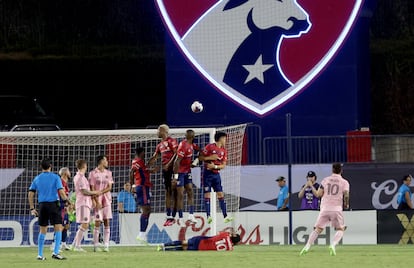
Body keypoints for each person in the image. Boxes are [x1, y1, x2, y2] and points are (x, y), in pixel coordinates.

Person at [300, 162, 350, 256]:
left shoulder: (325, 180)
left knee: (317, 229)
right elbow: (346, 194)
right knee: (340, 229)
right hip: (336, 209)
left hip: (325, 208)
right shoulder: (344, 182)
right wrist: (346, 204)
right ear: (341, 171)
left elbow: (318, 194)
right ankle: (333, 245)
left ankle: (307, 246)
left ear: (332, 170)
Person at [28, 158, 70, 260]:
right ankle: (56, 252)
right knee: (58, 227)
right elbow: (61, 192)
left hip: (42, 205)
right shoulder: (55, 177)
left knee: (42, 230)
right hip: (53, 205)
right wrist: (67, 201)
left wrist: (32, 208)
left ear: (41, 167)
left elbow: (30, 193)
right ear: (50, 166)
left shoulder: (37, 178)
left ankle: (40, 254)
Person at [198, 131, 233, 224]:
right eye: (225, 138)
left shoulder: (224, 151)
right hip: (207, 174)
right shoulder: (209, 147)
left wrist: (215, 167)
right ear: (220, 138)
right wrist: (210, 157)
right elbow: (200, 157)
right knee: (207, 194)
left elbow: (223, 165)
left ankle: (225, 216)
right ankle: (208, 216)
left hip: (216, 174)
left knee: (221, 195)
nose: (226, 140)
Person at [148, 124, 179, 226]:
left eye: (158, 130)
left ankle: (175, 216)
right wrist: (147, 165)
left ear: (164, 131)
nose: (157, 132)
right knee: (168, 191)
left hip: (174, 169)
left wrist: (169, 164)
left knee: (175, 191)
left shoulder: (172, 141)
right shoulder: (159, 145)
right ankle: (169, 215)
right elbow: (155, 157)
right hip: (165, 170)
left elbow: (176, 153)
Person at [71, 159, 99, 252]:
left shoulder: (80, 177)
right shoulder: (80, 177)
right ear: (84, 166)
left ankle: (74, 244)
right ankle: (77, 246)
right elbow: (84, 191)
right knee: (85, 224)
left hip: (85, 203)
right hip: (83, 203)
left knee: (85, 224)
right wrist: (95, 192)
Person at [129, 147, 157, 243]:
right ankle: (141, 234)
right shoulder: (137, 161)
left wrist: (151, 171)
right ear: (141, 153)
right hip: (142, 186)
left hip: (145, 187)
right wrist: (132, 185)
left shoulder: (141, 162)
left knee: (147, 209)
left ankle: (142, 234)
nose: (144, 155)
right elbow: (132, 172)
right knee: (146, 209)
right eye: (144, 153)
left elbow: (142, 171)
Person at [173, 129, 200, 226]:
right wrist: (175, 177)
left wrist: (195, 161)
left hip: (187, 171)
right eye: (186, 135)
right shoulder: (183, 145)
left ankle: (191, 215)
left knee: (190, 191)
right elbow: (176, 162)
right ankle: (180, 218)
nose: (186, 136)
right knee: (180, 194)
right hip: (180, 173)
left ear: (192, 137)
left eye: (188, 135)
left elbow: (201, 152)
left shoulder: (192, 145)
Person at [89, 155, 114, 252]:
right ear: (101, 161)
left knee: (107, 221)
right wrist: (95, 200)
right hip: (97, 199)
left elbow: (109, 187)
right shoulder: (93, 173)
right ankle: (95, 245)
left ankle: (106, 245)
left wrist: (101, 192)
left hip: (106, 199)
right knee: (97, 222)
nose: (107, 161)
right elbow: (92, 188)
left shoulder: (109, 173)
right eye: (106, 160)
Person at [50, 167, 72, 252]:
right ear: (65, 173)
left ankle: (63, 243)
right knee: (60, 226)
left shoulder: (65, 183)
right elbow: (61, 195)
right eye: (69, 171)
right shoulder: (60, 182)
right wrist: (67, 203)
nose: (70, 173)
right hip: (60, 206)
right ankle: (54, 244)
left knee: (66, 225)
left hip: (65, 206)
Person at [157, 231, 241, 251]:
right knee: (184, 248)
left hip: (202, 240)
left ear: (233, 236)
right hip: (201, 248)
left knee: (183, 242)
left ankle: (164, 245)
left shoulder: (226, 235)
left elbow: (220, 233)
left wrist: (229, 234)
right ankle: (164, 249)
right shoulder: (230, 249)